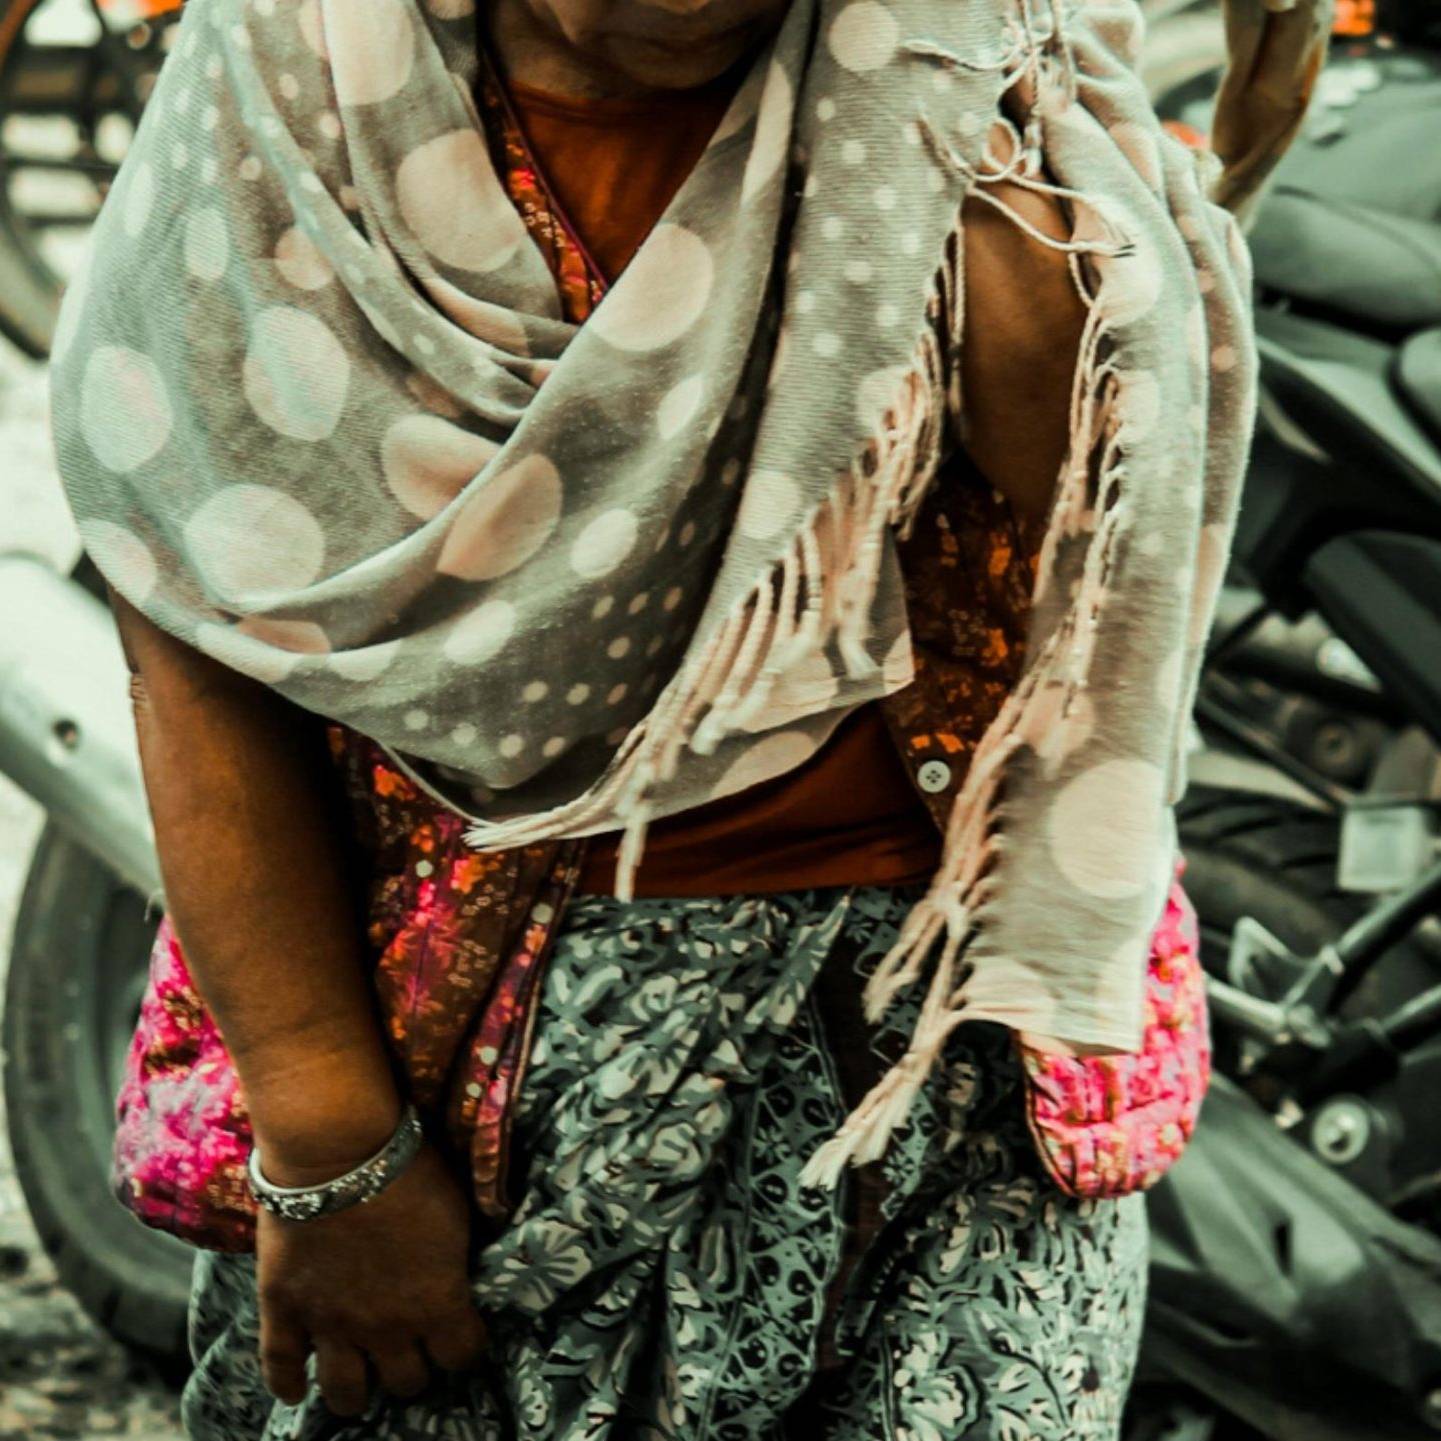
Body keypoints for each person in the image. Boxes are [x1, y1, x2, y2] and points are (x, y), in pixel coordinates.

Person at [47, 0, 1326, 1435]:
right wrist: (336, 1150)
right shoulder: (290, 90)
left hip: (945, 1065)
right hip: (480, 1091)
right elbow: (204, 653)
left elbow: (1084, 512)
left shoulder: (949, 62)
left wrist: (950, 110)